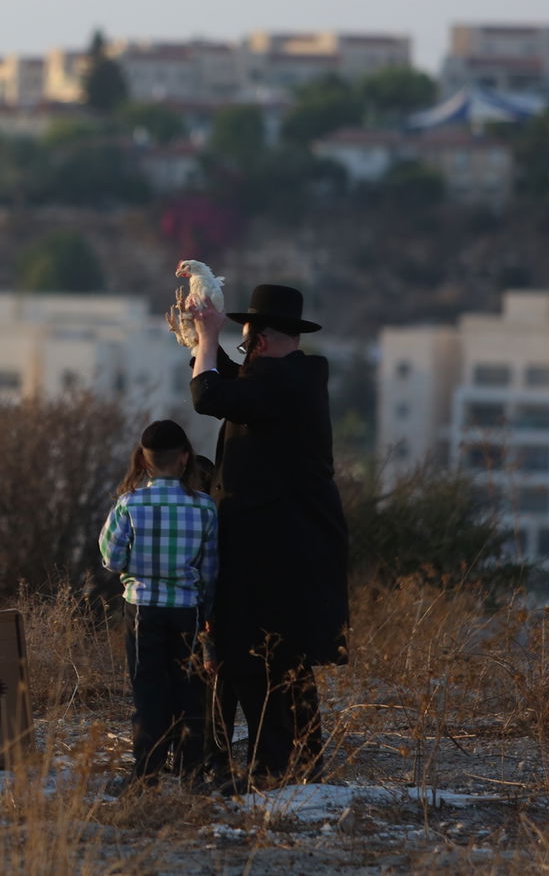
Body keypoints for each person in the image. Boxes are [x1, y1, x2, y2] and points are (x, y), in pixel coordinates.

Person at [189, 284, 350, 792]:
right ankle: (300, 764)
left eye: (244, 338)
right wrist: (202, 339)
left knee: (255, 656)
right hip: (289, 549)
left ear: (257, 339)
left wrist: (209, 337)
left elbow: (208, 395)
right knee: (288, 659)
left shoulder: (282, 384)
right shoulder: (292, 378)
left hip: (273, 552)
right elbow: (222, 382)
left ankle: (272, 768)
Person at [98, 419, 218, 789]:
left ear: (145, 462)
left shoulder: (129, 504)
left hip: (142, 610)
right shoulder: (206, 508)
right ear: (185, 459)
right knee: (190, 691)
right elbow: (211, 570)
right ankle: (192, 772)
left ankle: (146, 772)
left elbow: (110, 560)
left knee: (148, 689)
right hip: (189, 610)